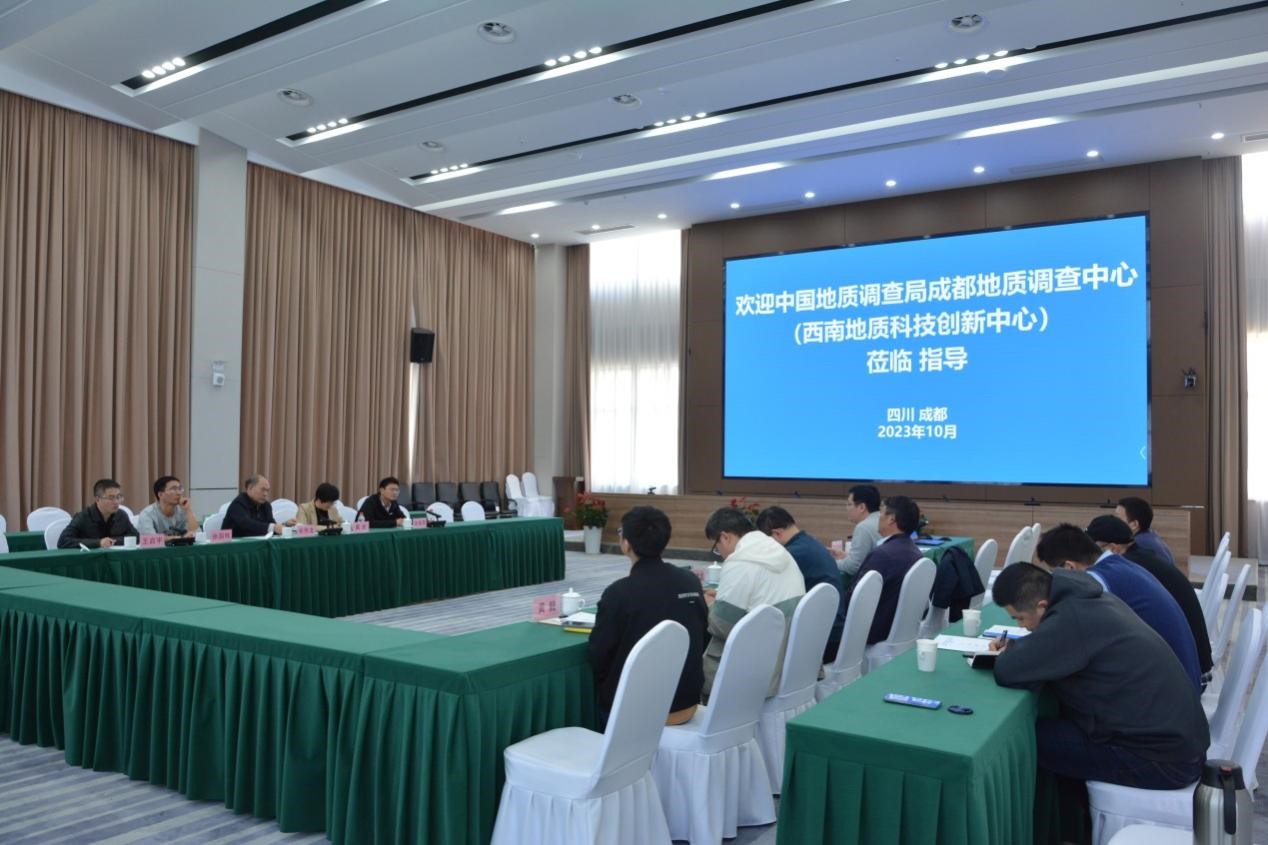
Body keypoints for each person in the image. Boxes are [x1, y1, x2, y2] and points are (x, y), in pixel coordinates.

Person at [991, 563, 1208, 838]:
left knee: (1027, 741)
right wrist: (1021, 647)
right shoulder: (1088, 599)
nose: (1021, 627)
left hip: (1161, 762)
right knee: (1053, 732)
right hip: (1178, 744)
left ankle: (1057, 833)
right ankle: (1068, 829)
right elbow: (1051, 646)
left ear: (1042, 606)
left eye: (1020, 619)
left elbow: (1008, 670)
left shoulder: (1071, 620)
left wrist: (1009, 653)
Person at [1036, 523, 1201, 689]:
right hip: (1180, 682)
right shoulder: (1119, 565)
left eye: (1054, 573)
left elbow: (1075, 637)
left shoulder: (1097, 582)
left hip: (1167, 690)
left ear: (1069, 567)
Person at [588, 506, 707, 727]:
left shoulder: (619, 593)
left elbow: (599, 654)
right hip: (687, 701)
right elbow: (702, 633)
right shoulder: (690, 581)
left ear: (626, 544)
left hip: (635, 712)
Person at [1086, 514, 1213, 679]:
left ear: (1113, 548)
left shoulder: (1126, 570)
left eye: (1092, 548)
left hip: (1186, 677)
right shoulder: (1141, 557)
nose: (1087, 555)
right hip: (1192, 666)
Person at [703, 507, 805, 697]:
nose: (720, 553)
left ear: (725, 537)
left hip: (755, 669)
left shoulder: (739, 561)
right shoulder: (778, 549)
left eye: (717, 547)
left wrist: (710, 604)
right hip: (788, 661)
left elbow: (723, 626)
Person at [756, 506, 846, 662]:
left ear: (777, 533)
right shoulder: (810, 542)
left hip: (821, 641)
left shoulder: (790, 555)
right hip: (834, 631)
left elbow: (767, 593)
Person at [847, 495, 923, 645]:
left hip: (872, 633)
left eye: (881, 513)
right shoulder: (915, 551)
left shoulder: (882, 555)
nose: (878, 517)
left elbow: (854, 599)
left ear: (891, 519)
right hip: (899, 630)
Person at [58, 478, 139, 549]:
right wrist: (98, 543)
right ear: (97, 499)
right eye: (111, 498)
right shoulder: (83, 517)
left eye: (118, 497)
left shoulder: (121, 515)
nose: (116, 502)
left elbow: (137, 537)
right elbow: (63, 541)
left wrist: (112, 541)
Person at [835, 484, 881, 579]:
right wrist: (847, 556)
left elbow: (853, 567)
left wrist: (827, 562)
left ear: (861, 507)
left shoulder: (863, 527)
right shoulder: (881, 520)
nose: (847, 508)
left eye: (849, 504)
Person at [1116, 496, 1176, 567]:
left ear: (1134, 524)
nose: (1113, 522)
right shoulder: (1150, 537)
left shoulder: (1137, 545)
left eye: (1118, 519)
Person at [223, 475, 288, 537]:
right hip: (231, 543)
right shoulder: (238, 504)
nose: (265, 494)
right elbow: (247, 524)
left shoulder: (266, 505)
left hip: (257, 542)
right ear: (250, 488)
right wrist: (273, 527)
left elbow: (272, 526)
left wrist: (285, 525)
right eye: (262, 490)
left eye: (267, 490)